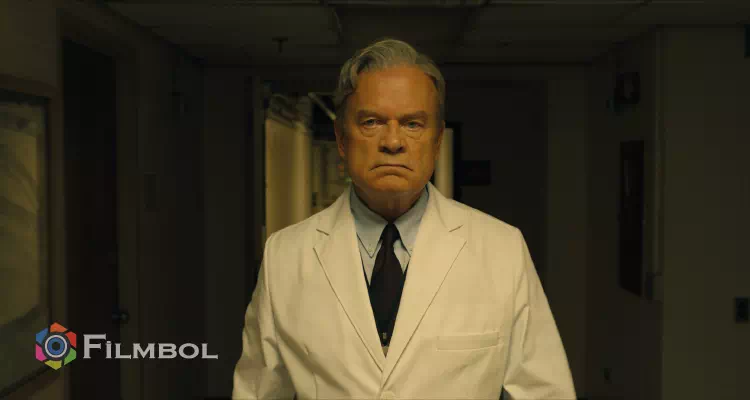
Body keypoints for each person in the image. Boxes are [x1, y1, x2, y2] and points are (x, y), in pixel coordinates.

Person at [233, 38, 576, 400]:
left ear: (437, 140)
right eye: (371, 122)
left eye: (413, 124)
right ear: (342, 139)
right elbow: (256, 393)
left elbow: (545, 393)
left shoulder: (502, 250)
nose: (393, 142)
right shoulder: (285, 256)